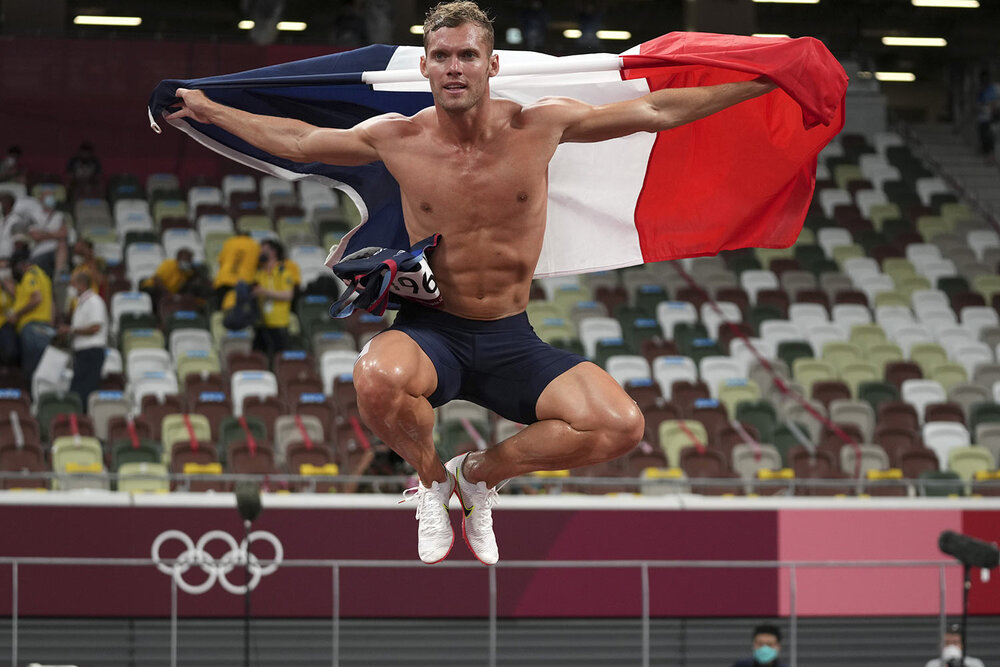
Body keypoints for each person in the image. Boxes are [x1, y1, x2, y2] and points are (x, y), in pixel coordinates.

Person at [167, 0, 776, 565]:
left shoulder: (541, 125)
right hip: (433, 333)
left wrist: (765, 80)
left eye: (467, 55)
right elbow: (300, 140)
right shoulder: (397, 138)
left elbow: (654, 110)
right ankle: (432, 481)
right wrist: (205, 107)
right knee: (374, 377)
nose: (454, 67)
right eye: (443, 56)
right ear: (425, 65)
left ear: (492, 63)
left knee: (621, 426)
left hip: (511, 337)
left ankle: (480, 474)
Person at [58, 272, 108, 409]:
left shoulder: (94, 301)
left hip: (91, 352)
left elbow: (95, 327)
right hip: (82, 354)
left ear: (81, 284)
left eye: (72, 285)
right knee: (78, 391)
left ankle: (83, 422)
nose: (71, 288)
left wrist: (71, 330)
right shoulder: (80, 304)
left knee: (85, 392)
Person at [5, 247, 54, 381]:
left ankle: (31, 398)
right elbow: (51, 303)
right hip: (44, 327)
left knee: (32, 369)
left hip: (32, 328)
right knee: (42, 370)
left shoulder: (30, 275)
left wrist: (17, 315)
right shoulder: (44, 276)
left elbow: (37, 298)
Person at [252, 239, 298, 356]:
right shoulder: (260, 273)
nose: (260, 253)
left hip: (278, 323)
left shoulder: (283, 273)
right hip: (261, 323)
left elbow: (288, 295)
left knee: (279, 356)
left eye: (264, 250)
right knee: (258, 355)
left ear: (273, 252)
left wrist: (265, 292)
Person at [212, 229, 259, 309]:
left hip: (224, 280)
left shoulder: (229, 242)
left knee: (221, 309)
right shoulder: (254, 245)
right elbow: (257, 264)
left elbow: (221, 260)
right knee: (240, 310)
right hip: (243, 281)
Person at [976, 70, 998, 161]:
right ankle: (987, 153)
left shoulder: (991, 89)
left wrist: (991, 107)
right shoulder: (981, 89)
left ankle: (991, 154)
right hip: (982, 117)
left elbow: (994, 102)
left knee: (989, 136)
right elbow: (978, 103)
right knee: (983, 135)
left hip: (990, 116)